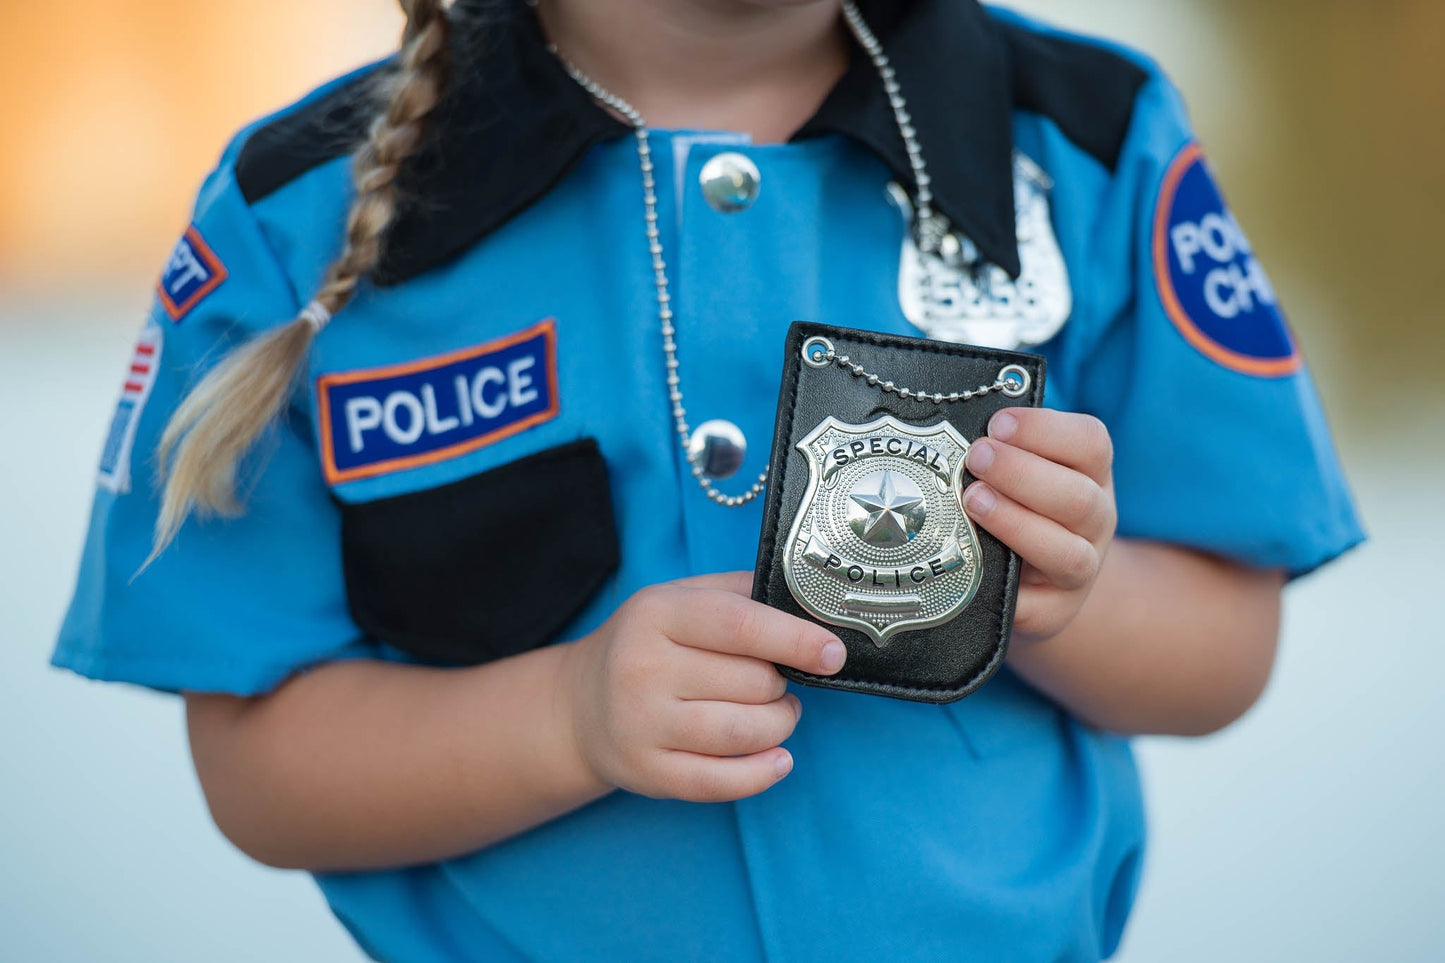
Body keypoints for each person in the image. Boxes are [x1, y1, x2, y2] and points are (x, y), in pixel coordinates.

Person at [54, 0, 1363, 959]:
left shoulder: (1087, 142)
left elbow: (1225, 645)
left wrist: (1065, 595)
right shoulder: (296, 217)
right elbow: (258, 770)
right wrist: (564, 718)